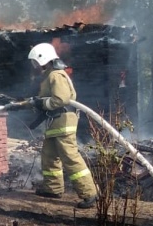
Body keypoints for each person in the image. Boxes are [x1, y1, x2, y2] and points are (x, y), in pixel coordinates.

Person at [20, 42, 98, 209]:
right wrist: (29, 103)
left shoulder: (56, 75)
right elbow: (45, 100)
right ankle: (53, 189)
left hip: (63, 122)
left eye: (35, 61)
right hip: (55, 123)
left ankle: (89, 194)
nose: (34, 65)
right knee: (49, 155)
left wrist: (41, 103)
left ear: (43, 59)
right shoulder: (50, 75)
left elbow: (61, 99)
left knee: (70, 157)